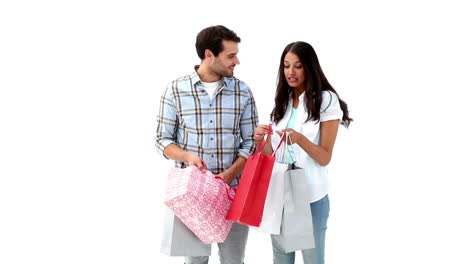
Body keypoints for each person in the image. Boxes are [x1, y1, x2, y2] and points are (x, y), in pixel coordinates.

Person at [155, 25, 258, 264]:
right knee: (195, 261)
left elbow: (251, 142)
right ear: (209, 54)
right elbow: (162, 140)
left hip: (233, 192)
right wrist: (186, 156)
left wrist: (232, 173)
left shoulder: (243, 92)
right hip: (192, 195)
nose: (237, 61)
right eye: (231, 56)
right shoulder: (176, 90)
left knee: (233, 260)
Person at [254, 41, 352, 264]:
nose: (291, 72)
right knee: (281, 259)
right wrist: (261, 140)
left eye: (297, 66)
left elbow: (324, 157)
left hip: (310, 196)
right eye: (286, 66)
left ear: (309, 67)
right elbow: (271, 155)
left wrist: (299, 139)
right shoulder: (284, 101)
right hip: (280, 192)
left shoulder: (326, 100)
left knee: (312, 260)